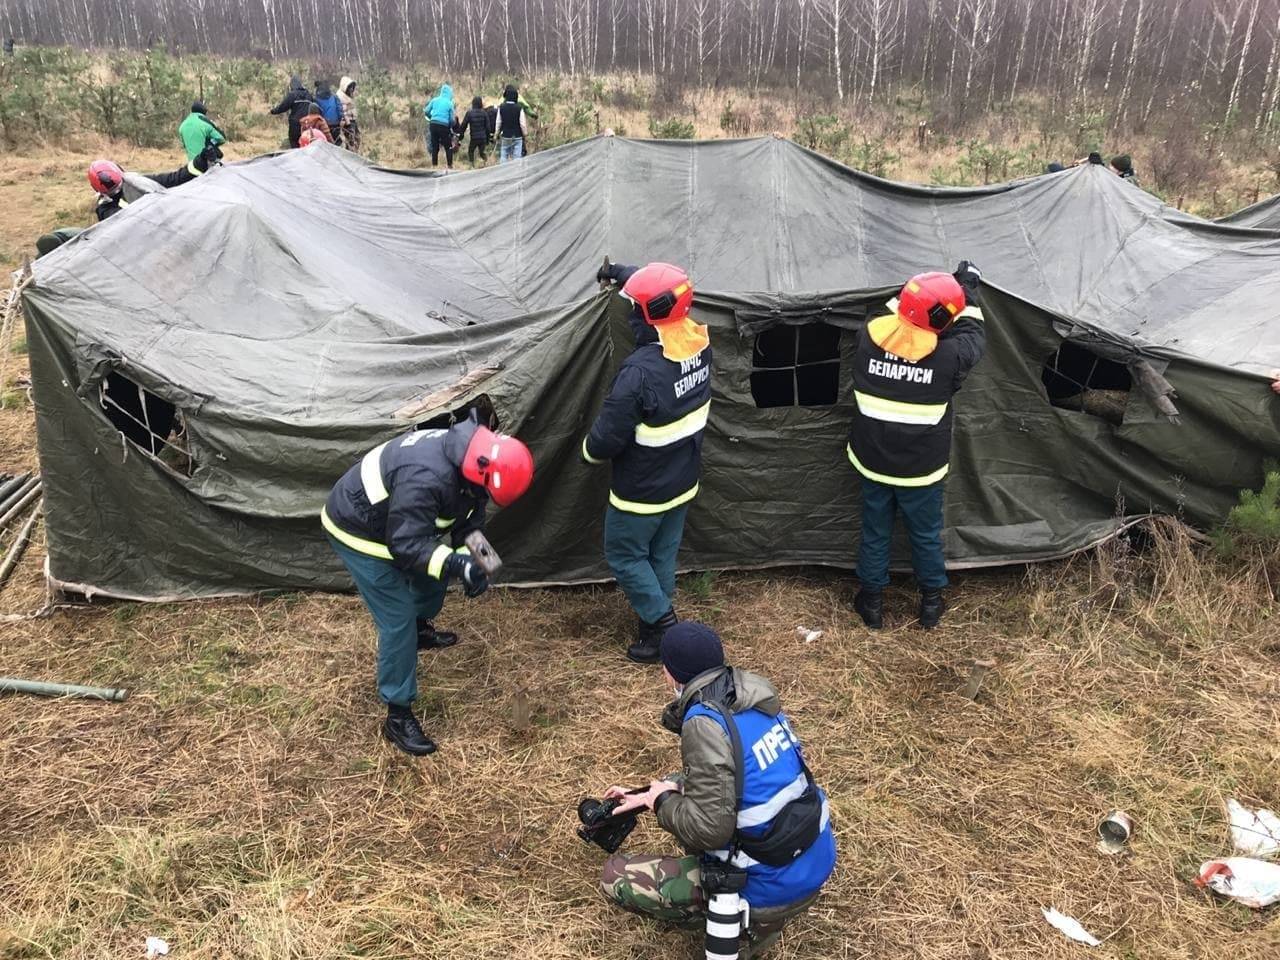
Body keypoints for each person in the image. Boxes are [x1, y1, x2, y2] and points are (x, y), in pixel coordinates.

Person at [598, 621, 837, 958]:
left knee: (615, 876)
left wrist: (662, 802)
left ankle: (751, 928)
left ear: (671, 672)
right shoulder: (750, 697)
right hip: (812, 858)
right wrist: (650, 794)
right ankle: (763, 917)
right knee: (676, 783)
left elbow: (709, 830)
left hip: (770, 887)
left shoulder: (703, 722)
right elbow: (740, 780)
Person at [321, 416, 535, 756]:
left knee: (433, 579)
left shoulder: (474, 460)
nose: (487, 498)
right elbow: (405, 545)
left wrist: (483, 563)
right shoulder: (427, 477)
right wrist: (456, 564)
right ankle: (397, 714)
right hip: (358, 529)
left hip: (399, 526)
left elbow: (470, 521)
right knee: (397, 616)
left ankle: (419, 632)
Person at [584, 262, 711, 663]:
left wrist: (588, 450)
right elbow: (666, 293)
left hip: (641, 491)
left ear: (647, 315)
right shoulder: (699, 345)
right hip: (682, 481)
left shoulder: (639, 373)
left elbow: (605, 439)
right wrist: (626, 274)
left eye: (635, 308)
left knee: (624, 554)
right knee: (661, 555)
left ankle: (663, 624)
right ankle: (652, 629)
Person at [848, 263, 986, 631]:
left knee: (875, 531)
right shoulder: (950, 357)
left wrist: (921, 292)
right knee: (925, 535)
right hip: (922, 469)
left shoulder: (867, 339)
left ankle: (872, 602)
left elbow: (892, 315)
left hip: (872, 460)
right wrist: (967, 288)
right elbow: (974, 331)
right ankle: (930, 603)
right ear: (942, 321)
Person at [177, 101, 225, 169]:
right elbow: (222, 138)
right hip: (207, 164)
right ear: (204, 112)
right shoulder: (205, 122)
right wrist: (211, 142)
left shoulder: (182, 126)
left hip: (192, 165)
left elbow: (184, 146)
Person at [270, 75, 314, 148]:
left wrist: (273, 111)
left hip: (295, 125)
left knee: (294, 145)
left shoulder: (292, 95)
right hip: (307, 125)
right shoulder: (308, 95)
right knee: (306, 145)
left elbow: (283, 107)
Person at [424, 83, 458, 168]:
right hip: (443, 126)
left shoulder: (434, 100)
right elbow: (451, 119)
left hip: (433, 125)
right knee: (448, 146)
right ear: (450, 93)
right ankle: (450, 166)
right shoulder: (450, 103)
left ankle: (434, 166)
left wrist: (431, 117)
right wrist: (449, 126)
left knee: (435, 146)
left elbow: (426, 111)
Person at [496, 84, 527, 163]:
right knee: (517, 157)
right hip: (517, 136)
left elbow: (498, 122)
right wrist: (525, 134)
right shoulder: (519, 108)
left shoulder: (501, 107)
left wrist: (497, 133)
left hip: (506, 135)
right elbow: (522, 124)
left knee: (504, 154)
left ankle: (503, 171)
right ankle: (515, 172)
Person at [460, 95, 492, 165]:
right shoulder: (484, 113)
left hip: (474, 137)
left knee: (471, 151)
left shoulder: (469, 113)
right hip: (483, 137)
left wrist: (461, 134)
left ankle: (472, 165)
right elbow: (488, 128)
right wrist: (487, 139)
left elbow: (464, 125)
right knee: (482, 153)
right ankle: (487, 163)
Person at [337, 75, 361, 152]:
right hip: (347, 123)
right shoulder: (340, 96)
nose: (351, 89)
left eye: (352, 87)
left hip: (352, 120)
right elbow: (342, 111)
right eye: (349, 87)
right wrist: (348, 123)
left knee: (357, 138)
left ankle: (354, 153)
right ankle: (351, 156)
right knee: (350, 141)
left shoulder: (349, 95)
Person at [315, 81, 343, 145]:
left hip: (324, 124)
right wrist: (340, 119)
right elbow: (339, 108)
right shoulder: (334, 96)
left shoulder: (317, 99)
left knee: (326, 143)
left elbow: (318, 112)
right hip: (336, 123)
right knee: (336, 143)